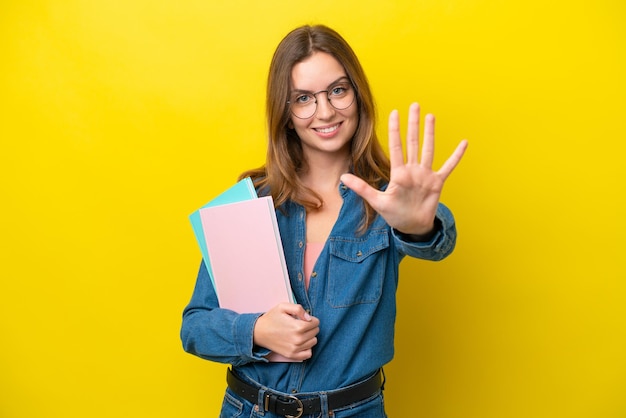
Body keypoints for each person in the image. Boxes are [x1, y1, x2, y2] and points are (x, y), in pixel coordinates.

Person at [181, 24, 467, 418]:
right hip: (249, 408)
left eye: (337, 90)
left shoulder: (387, 200)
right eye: (303, 98)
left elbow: (437, 239)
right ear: (285, 113)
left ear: (357, 95)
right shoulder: (251, 201)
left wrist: (417, 225)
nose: (326, 111)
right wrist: (257, 332)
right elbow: (194, 327)